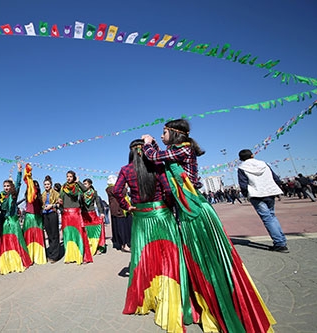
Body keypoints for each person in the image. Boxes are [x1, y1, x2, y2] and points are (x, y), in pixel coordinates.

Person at [142, 119, 275, 332]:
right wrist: (155, 147)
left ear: (174, 134)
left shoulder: (183, 150)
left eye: (163, 132)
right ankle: (207, 301)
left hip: (195, 212)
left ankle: (222, 305)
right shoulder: (178, 151)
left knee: (208, 262)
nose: (160, 136)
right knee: (198, 261)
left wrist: (147, 143)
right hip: (189, 211)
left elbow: (155, 157)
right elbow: (163, 159)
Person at [113, 139, 187, 331]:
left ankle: (149, 297)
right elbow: (169, 189)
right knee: (167, 256)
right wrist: (168, 206)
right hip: (161, 213)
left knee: (144, 258)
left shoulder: (125, 170)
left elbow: (116, 191)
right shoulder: (157, 165)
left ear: (130, 152)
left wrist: (127, 206)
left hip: (140, 216)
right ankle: (170, 294)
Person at [238, 149, 289, 252]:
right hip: (270, 192)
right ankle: (282, 240)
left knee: (267, 218)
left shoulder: (242, 167)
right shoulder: (263, 164)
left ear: (241, 159)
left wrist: (246, 195)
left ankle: (280, 244)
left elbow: (243, 184)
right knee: (272, 216)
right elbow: (275, 178)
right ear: (252, 155)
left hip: (256, 194)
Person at [0, 163, 32, 275]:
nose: (6, 188)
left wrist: (19, 171)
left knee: (16, 241)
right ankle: (8, 263)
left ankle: (20, 260)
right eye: (5, 186)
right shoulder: (1, 196)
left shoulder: (13, 195)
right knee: (6, 243)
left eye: (8, 186)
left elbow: (18, 183)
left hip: (13, 222)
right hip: (5, 223)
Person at [59, 170, 93, 265]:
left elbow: (86, 190)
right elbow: (61, 197)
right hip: (66, 214)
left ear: (73, 177)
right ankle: (70, 256)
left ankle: (80, 255)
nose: (68, 178)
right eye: (67, 176)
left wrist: (78, 181)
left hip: (76, 213)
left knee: (78, 234)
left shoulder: (77, 186)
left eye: (70, 176)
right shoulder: (64, 186)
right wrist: (59, 201)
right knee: (68, 235)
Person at [22, 164, 47, 265]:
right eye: (33, 185)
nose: (35, 186)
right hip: (29, 217)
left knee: (38, 237)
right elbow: (29, 184)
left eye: (36, 185)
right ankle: (29, 256)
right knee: (29, 236)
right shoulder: (29, 194)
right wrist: (28, 174)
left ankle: (38, 255)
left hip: (38, 217)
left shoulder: (40, 197)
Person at [106, 176, 132, 252]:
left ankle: (125, 243)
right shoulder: (111, 188)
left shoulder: (111, 188)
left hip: (121, 209)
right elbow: (121, 193)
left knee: (125, 227)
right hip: (119, 210)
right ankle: (124, 245)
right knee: (122, 228)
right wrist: (125, 188)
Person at [81, 178, 106, 256]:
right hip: (84, 214)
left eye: (85, 184)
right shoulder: (81, 193)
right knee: (86, 231)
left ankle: (98, 247)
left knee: (95, 231)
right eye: (83, 184)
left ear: (90, 184)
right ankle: (87, 247)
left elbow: (98, 203)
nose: (84, 185)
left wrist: (101, 212)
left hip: (92, 214)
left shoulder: (94, 193)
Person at [42, 175, 61, 262]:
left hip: (53, 213)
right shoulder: (43, 194)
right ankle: (51, 253)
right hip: (45, 215)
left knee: (54, 234)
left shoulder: (56, 194)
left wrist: (51, 205)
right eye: (45, 184)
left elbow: (59, 204)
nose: (46, 186)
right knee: (49, 235)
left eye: (48, 184)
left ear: (51, 184)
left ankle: (55, 255)